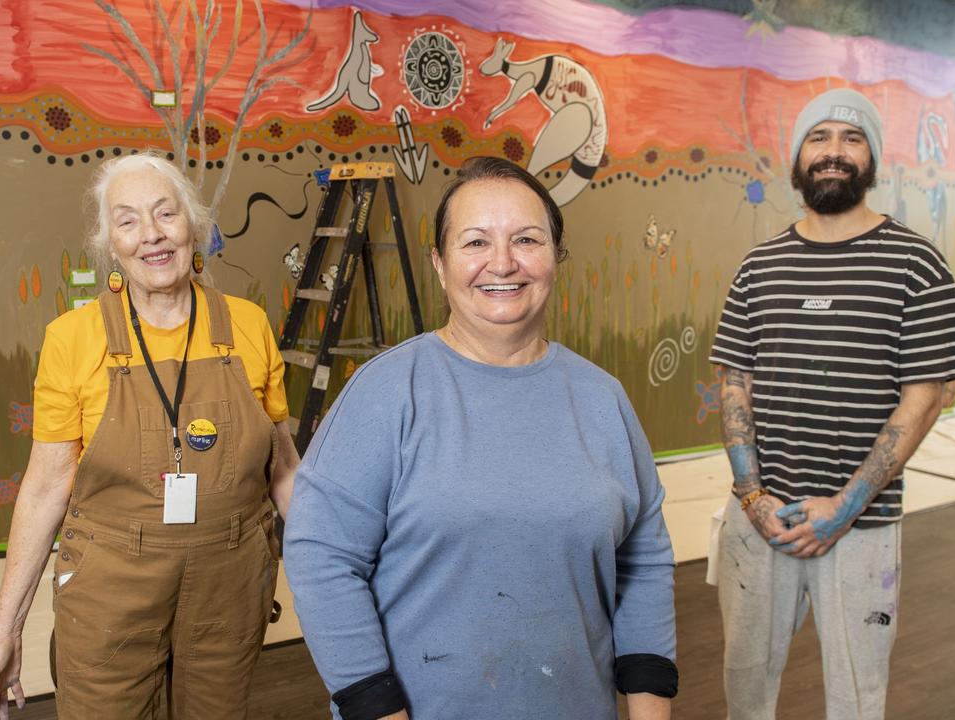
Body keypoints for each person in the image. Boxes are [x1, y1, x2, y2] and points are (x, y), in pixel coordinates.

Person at [283, 156, 678, 720]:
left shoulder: (602, 398)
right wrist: (375, 706)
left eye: (526, 239)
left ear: (555, 259)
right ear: (440, 265)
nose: (502, 262)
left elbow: (644, 561)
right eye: (475, 242)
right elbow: (320, 556)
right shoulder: (387, 392)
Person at [0, 151, 300, 720]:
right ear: (110, 246)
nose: (151, 235)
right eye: (127, 221)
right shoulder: (72, 339)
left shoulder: (247, 325)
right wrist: (7, 629)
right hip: (110, 582)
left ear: (193, 226)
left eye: (165, 214)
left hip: (232, 577)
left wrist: (341, 583)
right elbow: (47, 488)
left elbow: (284, 470)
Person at [709, 88, 955, 720]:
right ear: (799, 158)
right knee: (744, 693)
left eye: (851, 139)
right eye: (819, 138)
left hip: (862, 529)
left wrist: (846, 505)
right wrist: (751, 495)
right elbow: (734, 384)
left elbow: (926, 397)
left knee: (857, 701)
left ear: (871, 158)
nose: (834, 152)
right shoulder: (758, 266)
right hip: (760, 521)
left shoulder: (917, 264)